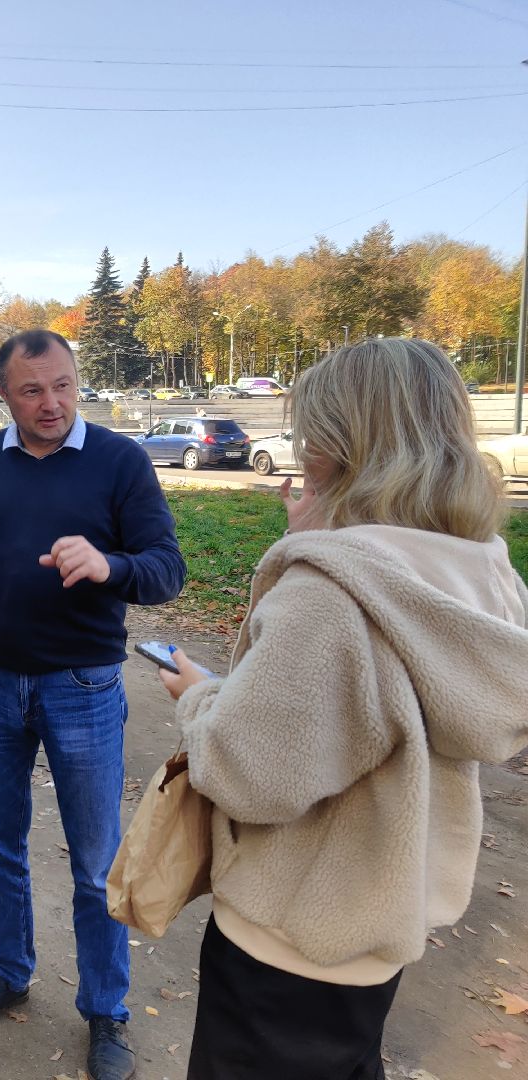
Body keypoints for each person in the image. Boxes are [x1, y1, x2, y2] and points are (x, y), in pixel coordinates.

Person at [156, 338, 528, 1080]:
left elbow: (251, 773)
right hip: (381, 924)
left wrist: (198, 696)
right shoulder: (480, 566)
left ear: (340, 441)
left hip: (291, 932)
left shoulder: (331, 594)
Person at [0, 329, 185, 1080]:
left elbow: (165, 570)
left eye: (62, 385)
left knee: (94, 862)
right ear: (5, 395)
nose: (51, 403)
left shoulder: (119, 463)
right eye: (32, 390)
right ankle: (9, 969)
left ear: (76, 380)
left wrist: (110, 564)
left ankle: (106, 1011)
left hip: (82, 686)